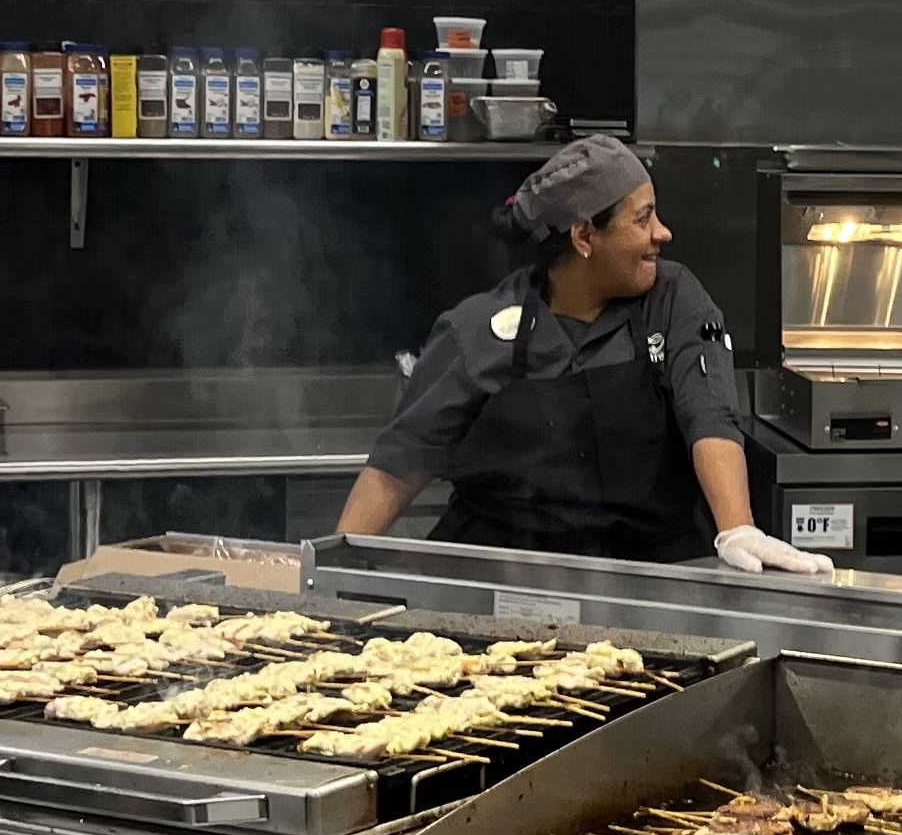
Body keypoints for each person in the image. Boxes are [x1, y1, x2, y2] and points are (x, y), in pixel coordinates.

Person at [338, 134, 836, 572]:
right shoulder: (476, 331)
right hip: (500, 580)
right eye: (643, 218)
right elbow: (400, 465)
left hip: (650, 578)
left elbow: (709, 414)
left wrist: (738, 529)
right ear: (584, 236)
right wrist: (330, 572)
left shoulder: (672, 298)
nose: (663, 233)